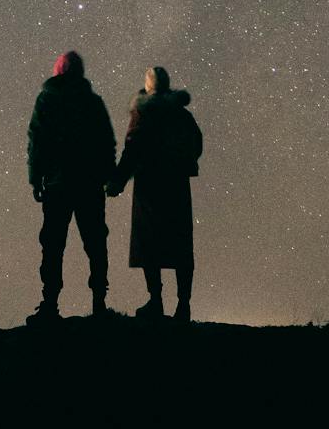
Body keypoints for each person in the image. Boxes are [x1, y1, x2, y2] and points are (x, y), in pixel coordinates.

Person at [26, 50, 116, 324]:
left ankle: (50, 304)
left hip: (57, 183)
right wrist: (108, 176)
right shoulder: (93, 102)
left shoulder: (47, 100)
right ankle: (99, 303)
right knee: (96, 243)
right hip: (89, 184)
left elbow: (36, 142)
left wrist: (35, 178)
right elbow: (106, 141)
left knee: (53, 245)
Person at [108, 66, 203, 322]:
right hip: (177, 187)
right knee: (181, 245)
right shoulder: (182, 115)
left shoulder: (143, 113)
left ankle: (156, 301)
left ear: (148, 86)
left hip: (150, 187)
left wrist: (117, 181)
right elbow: (196, 144)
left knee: (149, 244)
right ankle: (183, 306)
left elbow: (132, 149)